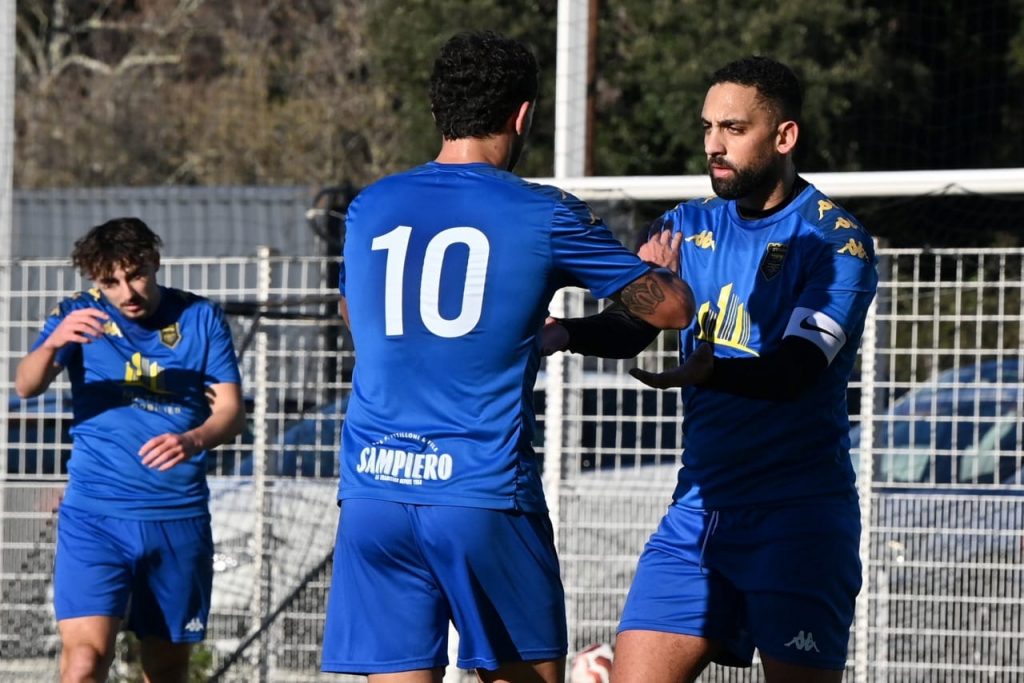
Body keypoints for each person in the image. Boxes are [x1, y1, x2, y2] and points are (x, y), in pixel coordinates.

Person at [320, 30, 695, 683]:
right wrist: (659, 269)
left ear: (437, 110)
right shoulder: (542, 212)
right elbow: (670, 309)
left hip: (374, 492)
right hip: (480, 493)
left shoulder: (369, 206)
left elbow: (354, 313)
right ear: (522, 115)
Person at [546, 56, 878, 683]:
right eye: (707, 128)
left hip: (798, 518)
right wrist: (563, 333)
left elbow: (796, 372)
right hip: (697, 513)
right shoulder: (683, 226)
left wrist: (711, 374)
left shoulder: (837, 243)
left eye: (733, 128)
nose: (713, 146)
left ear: (784, 136)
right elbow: (631, 329)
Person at [15, 217, 246, 683]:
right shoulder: (78, 315)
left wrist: (192, 439)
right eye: (111, 283)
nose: (127, 292)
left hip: (175, 516)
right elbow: (26, 386)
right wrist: (55, 341)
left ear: (154, 261)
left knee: (165, 669)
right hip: (95, 517)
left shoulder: (200, 317)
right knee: (83, 663)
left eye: (135, 275)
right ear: (95, 281)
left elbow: (231, 412)